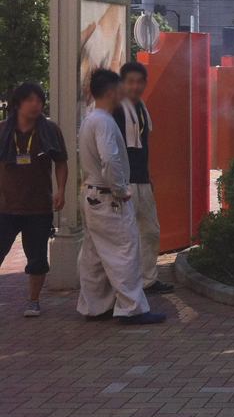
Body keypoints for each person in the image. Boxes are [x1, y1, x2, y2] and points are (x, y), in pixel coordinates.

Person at [76, 69, 165, 325]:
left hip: (93, 195)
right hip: (108, 197)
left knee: (95, 256)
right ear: (111, 91)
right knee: (124, 250)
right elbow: (110, 158)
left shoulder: (92, 118)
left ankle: (95, 306)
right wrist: (120, 189)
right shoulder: (103, 121)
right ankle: (132, 307)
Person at [0, 82, 68, 317]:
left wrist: (60, 191)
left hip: (39, 206)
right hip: (5, 206)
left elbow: (61, 162)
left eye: (39, 100)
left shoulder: (50, 130)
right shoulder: (2, 130)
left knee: (37, 256)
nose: (35, 104)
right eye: (30, 100)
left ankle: (33, 300)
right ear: (18, 103)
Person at [112, 62, 173, 293]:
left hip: (142, 180)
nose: (135, 86)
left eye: (139, 81)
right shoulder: (116, 109)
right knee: (124, 237)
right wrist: (116, 183)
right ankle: (124, 284)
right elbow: (112, 151)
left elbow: (143, 147)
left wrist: (149, 178)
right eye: (130, 81)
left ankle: (147, 280)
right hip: (123, 183)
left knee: (150, 231)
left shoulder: (141, 107)